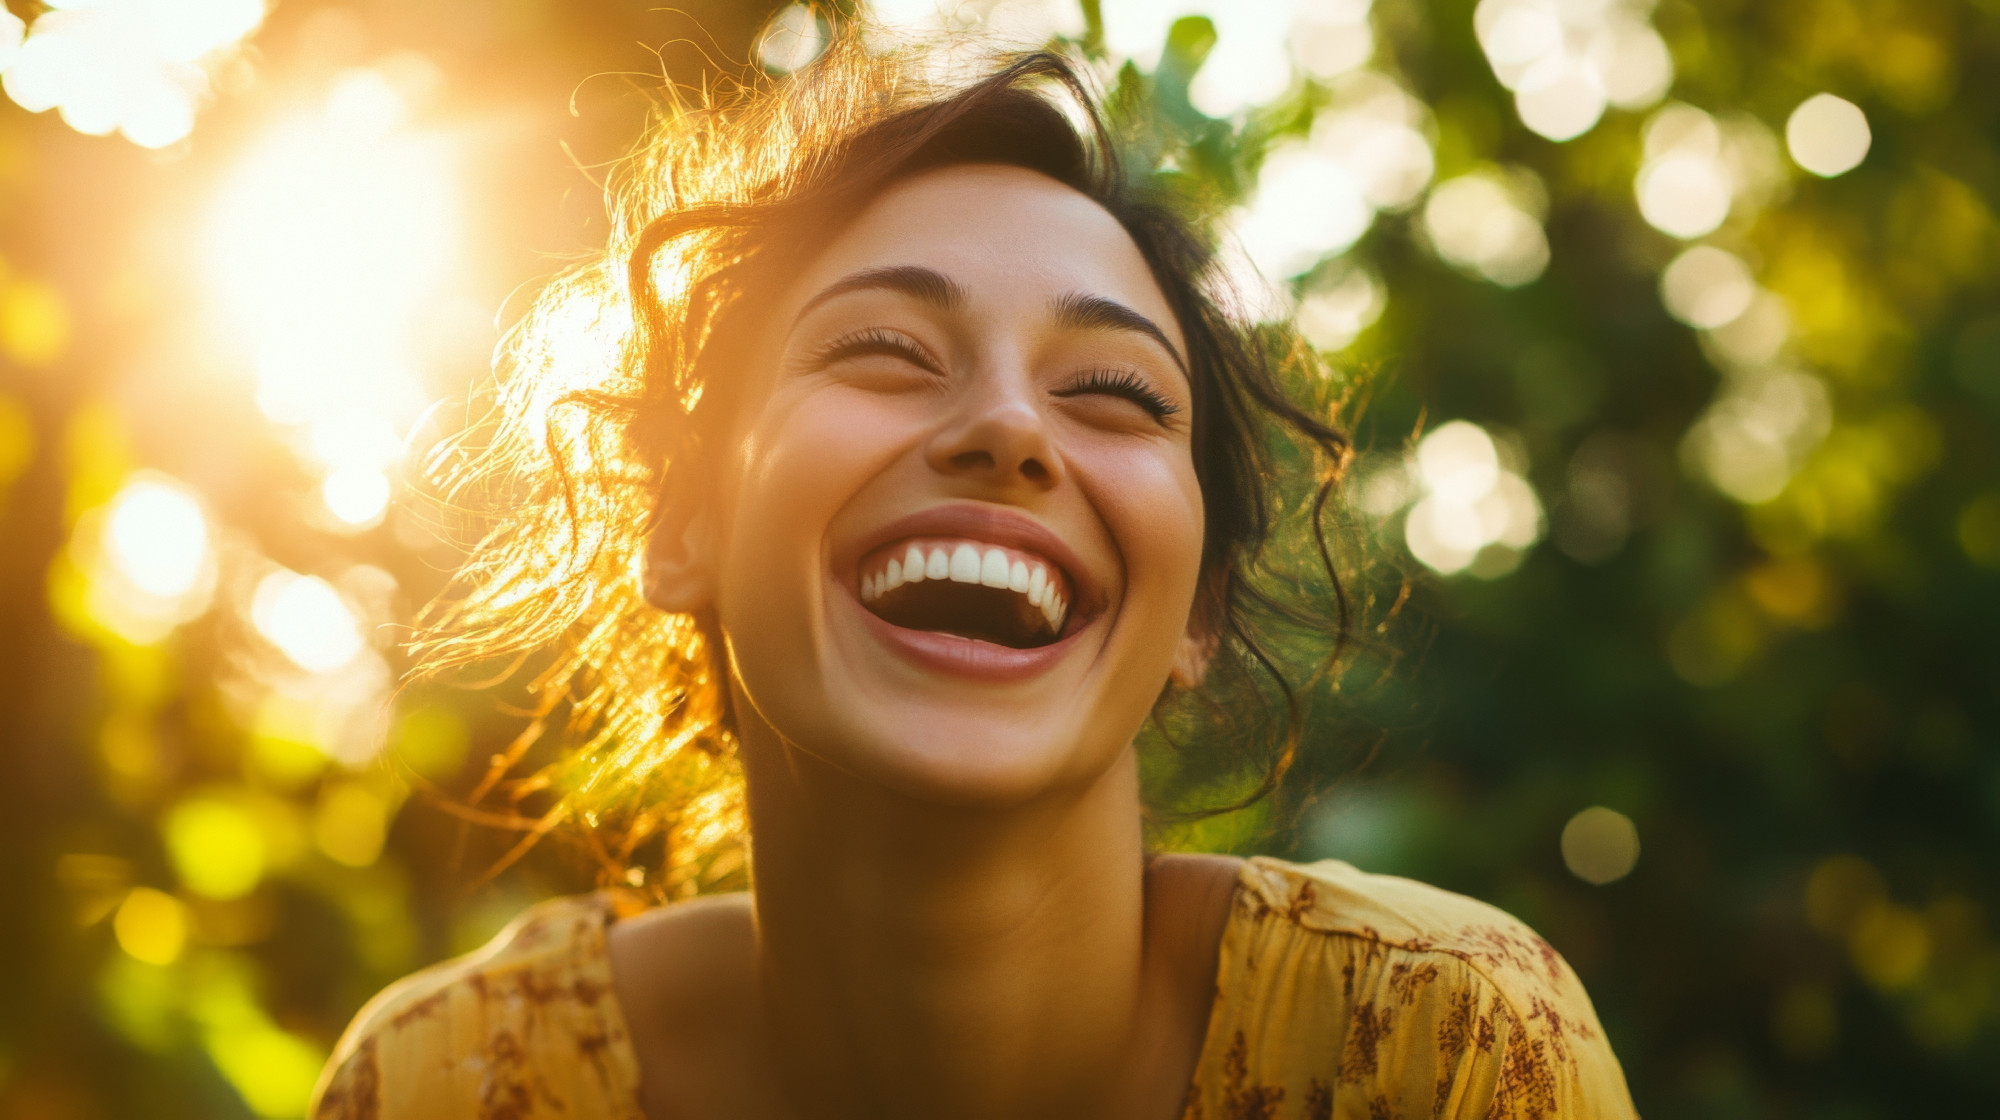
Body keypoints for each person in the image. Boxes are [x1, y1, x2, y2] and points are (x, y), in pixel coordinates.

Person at [310, 33, 1638, 1120]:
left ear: (1202, 611)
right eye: (885, 350)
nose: (1008, 427)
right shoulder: (453, 1085)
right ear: (685, 523)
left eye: (1115, 395)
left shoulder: (1438, 1053)